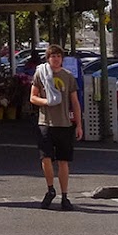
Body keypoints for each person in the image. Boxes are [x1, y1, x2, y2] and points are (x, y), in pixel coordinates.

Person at [29, 44, 82, 210]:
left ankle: (65, 195)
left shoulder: (68, 76)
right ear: (48, 58)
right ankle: (50, 189)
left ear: (62, 59)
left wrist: (79, 125)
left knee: (63, 161)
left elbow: (75, 102)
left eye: (58, 56)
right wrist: (47, 102)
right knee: (45, 158)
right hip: (45, 123)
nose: (56, 59)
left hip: (64, 124)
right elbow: (33, 97)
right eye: (53, 56)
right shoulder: (41, 74)